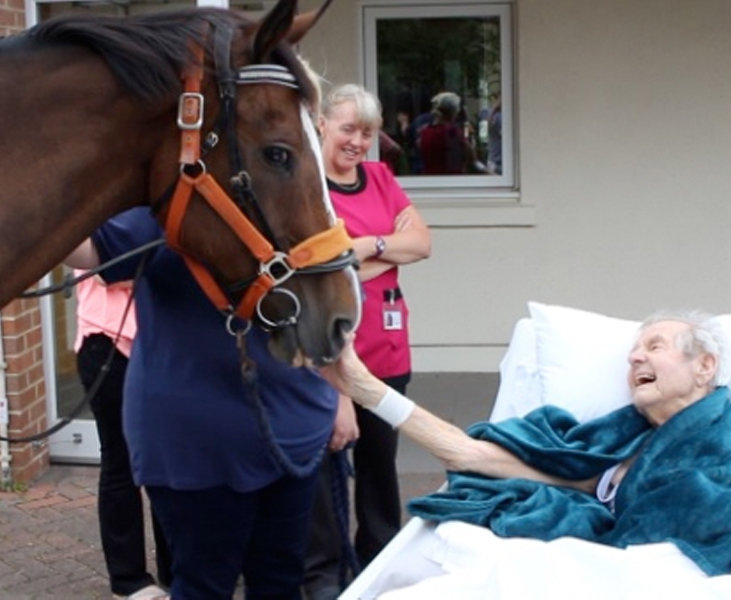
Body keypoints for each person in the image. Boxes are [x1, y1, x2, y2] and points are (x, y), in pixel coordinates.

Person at [319, 311, 731, 595]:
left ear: (705, 367)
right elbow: (472, 457)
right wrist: (367, 388)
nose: (635, 357)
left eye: (655, 346)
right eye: (632, 351)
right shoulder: (606, 449)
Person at [65, 212, 340, 600]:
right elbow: (86, 251)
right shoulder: (166, 211)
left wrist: (340, 394)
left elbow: (335, 299)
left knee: (280, 577)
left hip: (290, 433)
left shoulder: (288, 193)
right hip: (197, 449)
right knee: (205, 583)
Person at [302, 83, 432, 600]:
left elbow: (421, 243)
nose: (358, 141)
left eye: (368, 132)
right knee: (324, 469)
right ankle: (326, 574)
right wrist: (385, 252)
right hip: (329, 353)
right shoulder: (309, 189)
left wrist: (362, 247)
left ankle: (378, 567)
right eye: (348, 129)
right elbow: (317, 268)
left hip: (388, 348)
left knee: (380, 468)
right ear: (322, 126)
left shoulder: (379, 177)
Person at [73, 273, 171, 600]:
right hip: (108, 342)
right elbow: (108, 272)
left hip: (162, 343)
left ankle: (176, 565)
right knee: (121, 462)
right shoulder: (99, 221)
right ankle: (128, 580)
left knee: (169, 460)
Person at [417, 92, 475, 175]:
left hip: (429, 179)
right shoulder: (452, 131)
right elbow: (471, 157)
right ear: (453, 112)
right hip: (450, 180)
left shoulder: (424, 131)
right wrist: (470, 137)